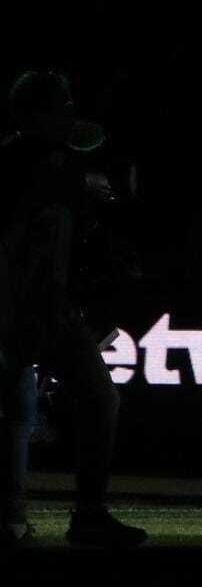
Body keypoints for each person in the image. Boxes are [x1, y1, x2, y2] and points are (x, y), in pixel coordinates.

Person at [0, 70, 145, 549]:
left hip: (49, 307)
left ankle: (73, 514)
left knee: (76, 402)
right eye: (59, 106)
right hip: (14, 308)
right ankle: (32, 516)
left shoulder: (55, 165)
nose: (69, 114)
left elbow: (78, 223)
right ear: (34, 114)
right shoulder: (25, 162)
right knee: (20, 411)